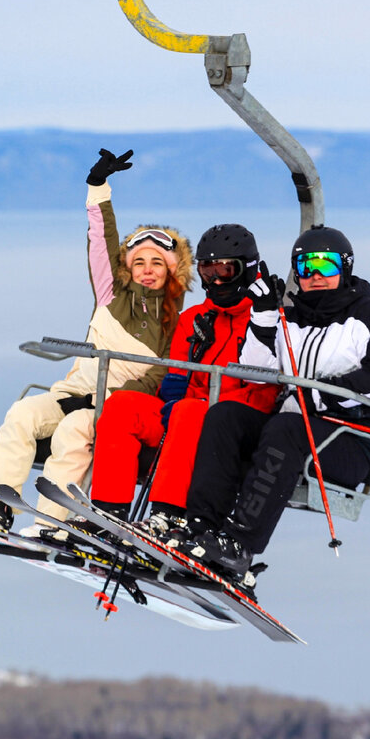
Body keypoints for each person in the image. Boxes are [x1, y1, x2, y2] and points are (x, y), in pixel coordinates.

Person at [167, 225, 370, 591]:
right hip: (297, 432)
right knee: (224, 415)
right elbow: (258, 373)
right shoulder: (291, 317)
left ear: (345, 268)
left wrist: (319, 396)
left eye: (325, 266)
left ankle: (239, 545)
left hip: (349, 440)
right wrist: (263, 317)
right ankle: (202, 527)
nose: (314, 276)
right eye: (304, 267)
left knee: (284, 428)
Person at [0, 148, 194, 532]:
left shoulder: (178, 321)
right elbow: (100, 240)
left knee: (76, 432)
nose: (147, 270)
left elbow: (160, 377)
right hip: (72, 390)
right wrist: (98, 188)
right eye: (139, 261)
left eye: (157, 263)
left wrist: (101, 399)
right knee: (22, 414)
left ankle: (50, 522)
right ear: (128, 267)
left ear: (173, 270)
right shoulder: (110, 295)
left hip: (113, 406)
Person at [84, 224, 281, 535]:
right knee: (123, 406)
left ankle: (168, 515)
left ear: (247, 271)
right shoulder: (194, 319)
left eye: (225, 271)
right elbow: (176, 376)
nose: (215, 280)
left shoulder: (268, 320)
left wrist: (197, 405)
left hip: (227, 425)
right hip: (183, 416)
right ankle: (109, 510)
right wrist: (174, 401)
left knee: (189, 411)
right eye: (207, 271)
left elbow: (265, 394)